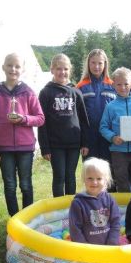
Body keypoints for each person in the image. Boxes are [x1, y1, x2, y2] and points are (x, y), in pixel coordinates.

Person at [0, 53, 45, 216]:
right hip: (4, 148)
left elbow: (40, 118)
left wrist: (23, 119)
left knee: (25, 184)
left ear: (23, 69)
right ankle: (14, 219)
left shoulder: (28, 92)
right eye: (10, 65)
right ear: (3, 67)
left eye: (17, 66)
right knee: (10, 185)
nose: (13, 69)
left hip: (25, 147)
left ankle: (27, 219)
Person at [38, 54, 89, 197]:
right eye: (58, 69)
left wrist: (85, 143)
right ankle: (59, 208)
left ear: (70, 70)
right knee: (59, 176)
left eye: (65, 69)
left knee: (70, 176)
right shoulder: (46, 92)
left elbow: (83, 120)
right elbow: (42, 122)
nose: (62, 72)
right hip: (55, 145)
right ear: (52, 70)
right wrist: (45, 147)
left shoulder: (76, 92)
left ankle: (71, 206)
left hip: (74, 143)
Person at [99, 67, 131, 192]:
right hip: (118, 152)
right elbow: (103, 127)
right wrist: (113, 137)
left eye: (126, 84)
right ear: (113, 85)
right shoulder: (110, 107)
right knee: (121, 181)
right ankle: (125, 204)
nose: (123, 87)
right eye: (119, 84)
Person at [68, 157, 121, 245]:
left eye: (99, 178)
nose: (94, 182)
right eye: (90, 178)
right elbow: (75, 229)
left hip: (109, 247)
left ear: (105, 180)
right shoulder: (78, 203)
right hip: (87, 250)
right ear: (84, 179)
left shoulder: (109, 199)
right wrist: (84, 247)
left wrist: (112, 242)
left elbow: (115, 222)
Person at [76, 49, 116, 162]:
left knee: (107, 169)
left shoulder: (113, 85)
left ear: (105, 64)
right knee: (90, 168)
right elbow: (77, 116)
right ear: (88, 64)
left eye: (100, 63)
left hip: (108, 136)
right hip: (89, 137)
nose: (96, 66)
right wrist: (83, 141)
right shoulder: (80, 86)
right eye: (93, 63)